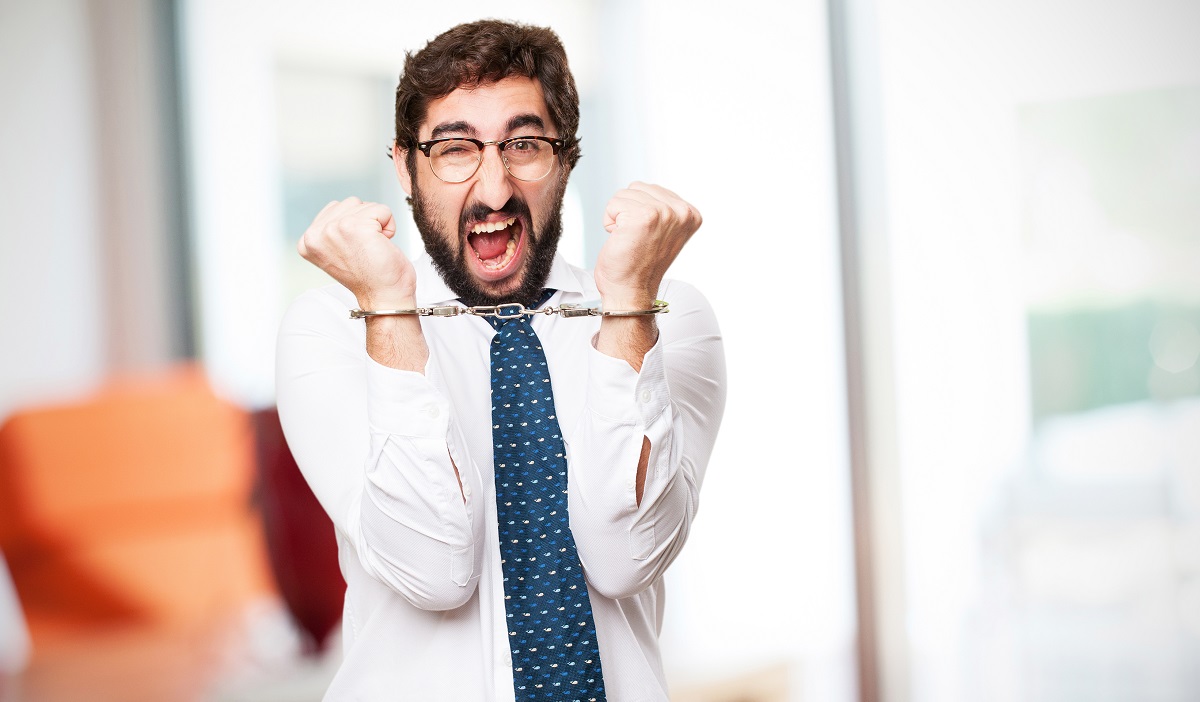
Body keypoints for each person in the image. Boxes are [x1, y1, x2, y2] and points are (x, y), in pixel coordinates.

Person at [276, 19, 726, 701]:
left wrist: (631, 299)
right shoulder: (333, 331)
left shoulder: (667, 315)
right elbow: (432, 569)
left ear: (567, 158)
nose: (492, 190)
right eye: (455, 149)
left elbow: (624, 557)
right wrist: (388, 306)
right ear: (405, 167)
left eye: (523, 144)